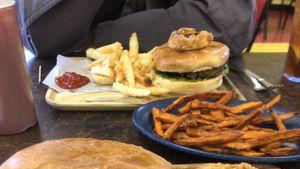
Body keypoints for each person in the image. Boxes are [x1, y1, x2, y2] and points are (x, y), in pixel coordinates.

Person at [16, 0, 256, 58]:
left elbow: (224, 23)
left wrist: (97, 38)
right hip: (71, 97)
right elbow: (42, 35)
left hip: (193, 99)